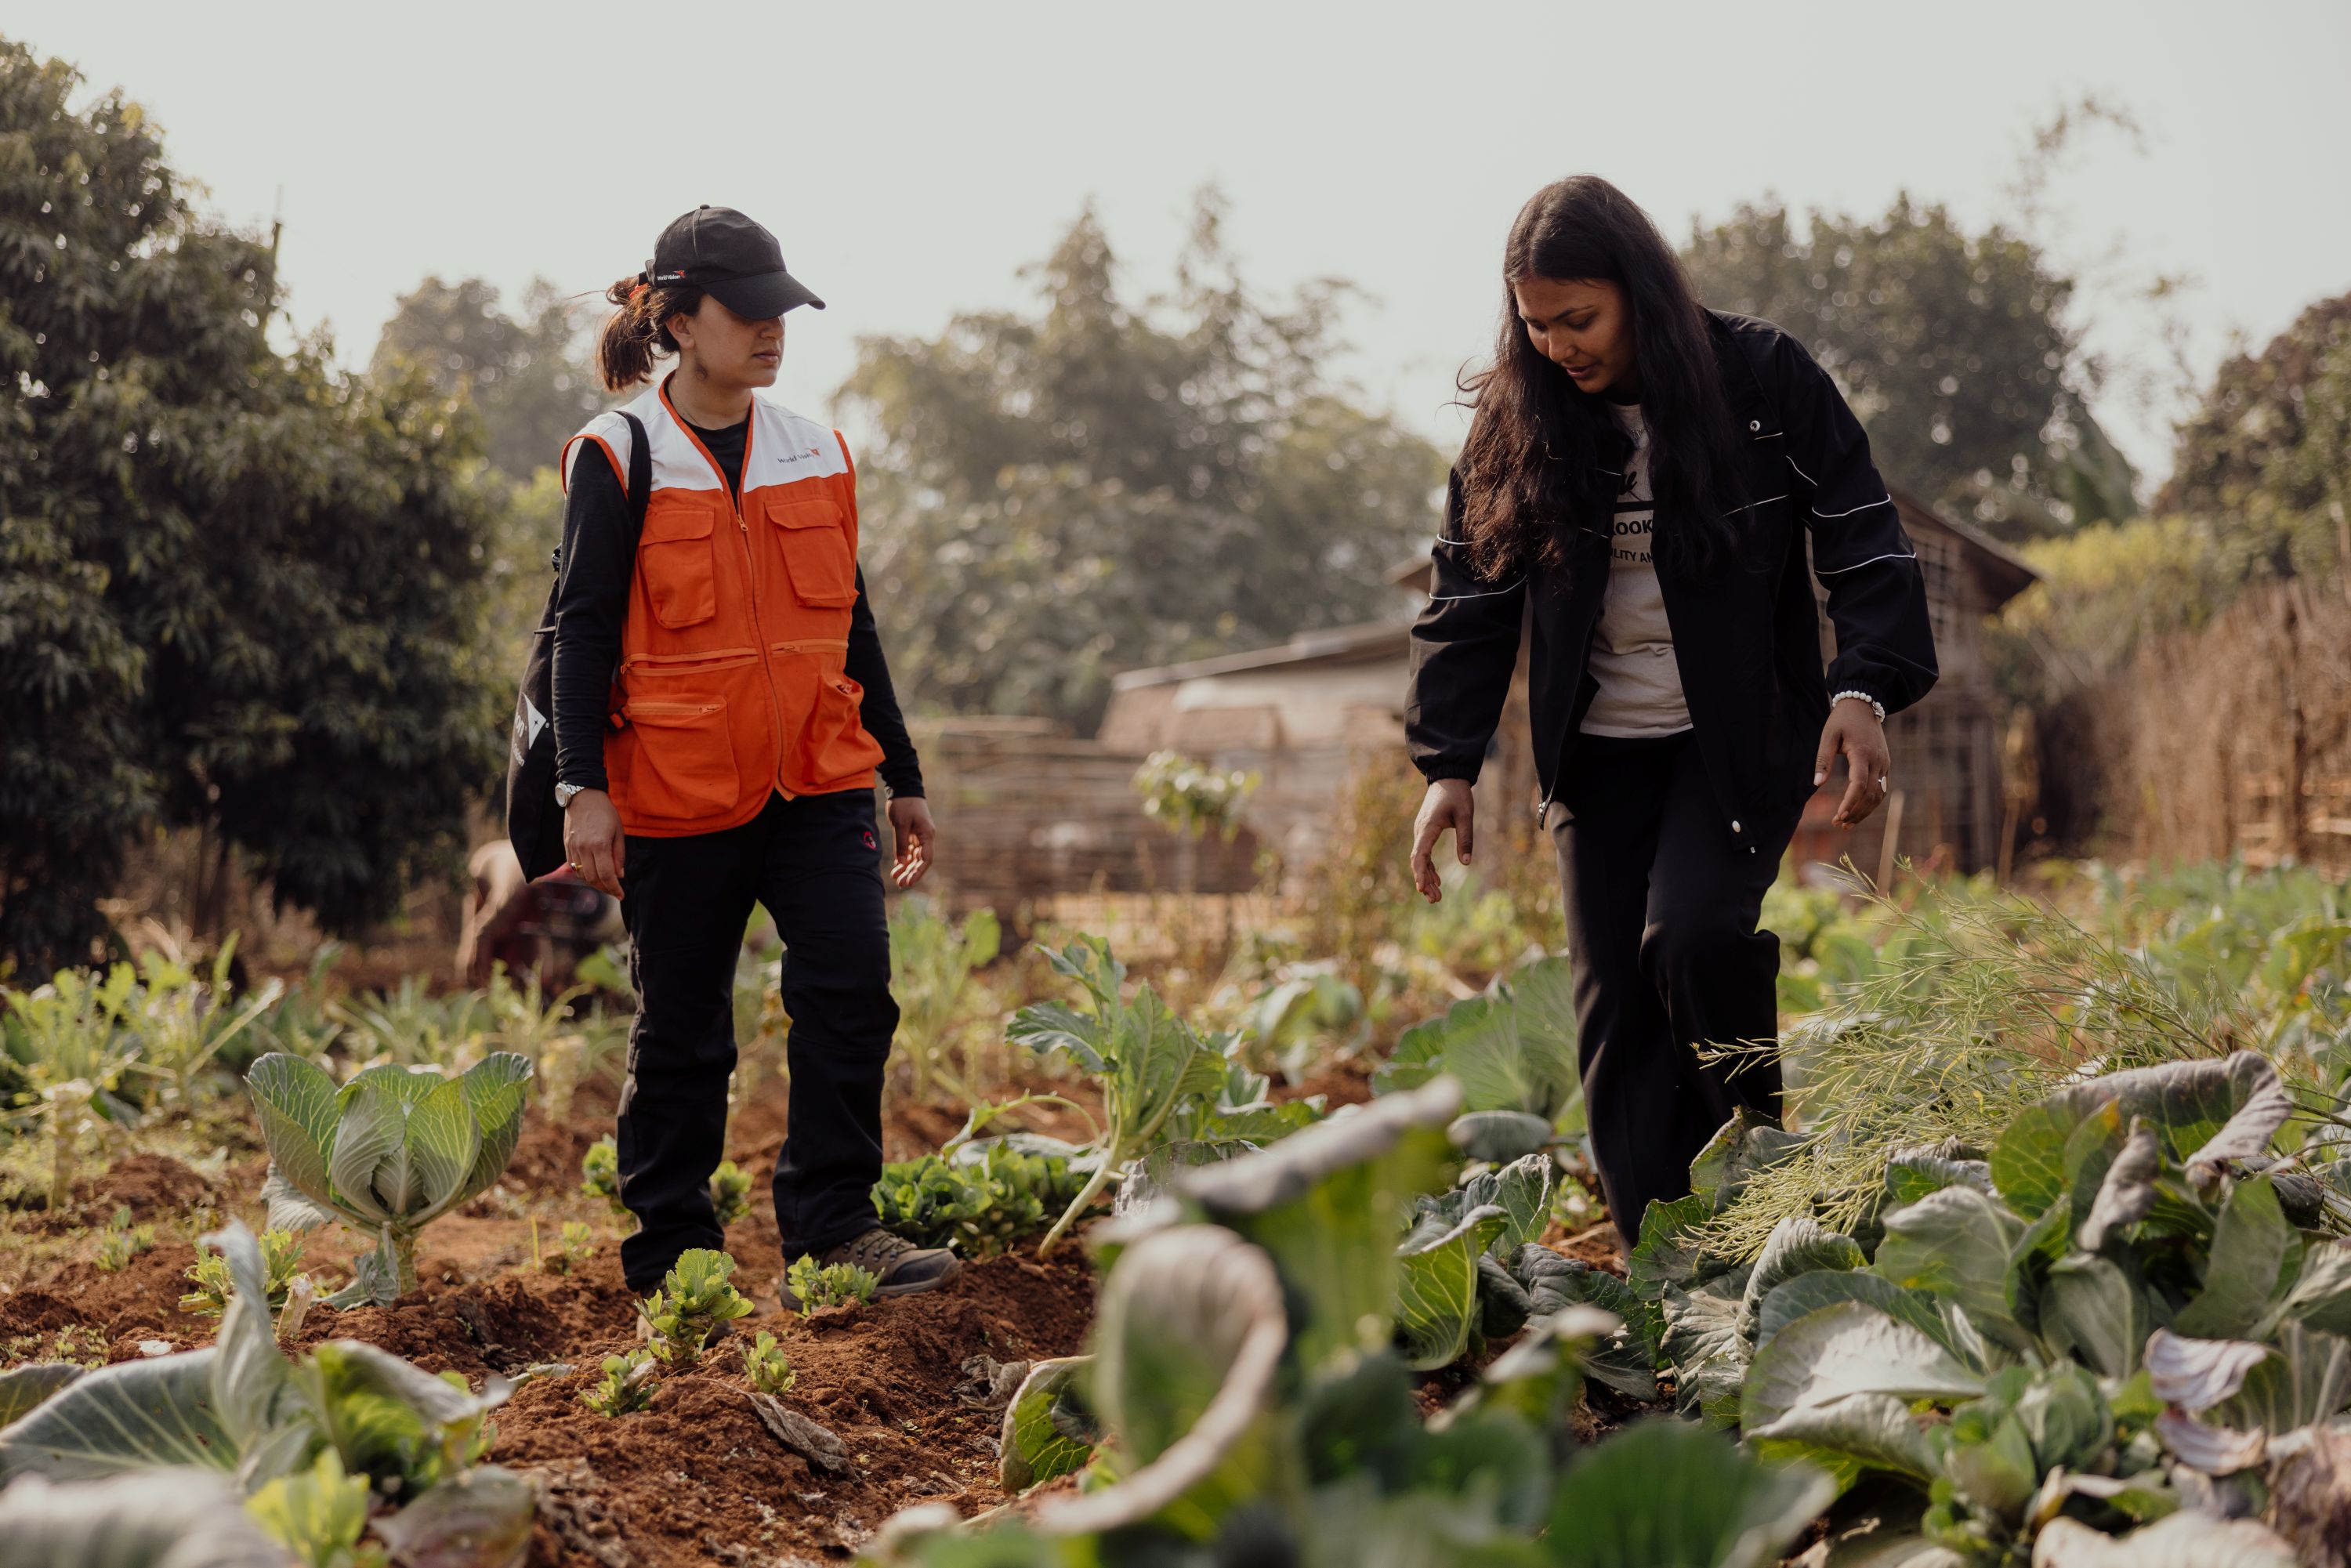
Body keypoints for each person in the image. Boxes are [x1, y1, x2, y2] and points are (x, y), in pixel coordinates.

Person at [1404, 176, 1937, 1248]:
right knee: (1615, 1018)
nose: (1559, 346)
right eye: (1537, 324)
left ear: (1639, 292)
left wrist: (1861, 687)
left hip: (1732, 742)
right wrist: (1447, 763)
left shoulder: (1761, 380)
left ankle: (1759, 1179)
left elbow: (1863, 535)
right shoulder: (1522, 417)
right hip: (1594, 757)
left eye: (1580, 319)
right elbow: (1469, 593)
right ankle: (1661, 1261)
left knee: (1692, 939)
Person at [551, 205, 958, 1305]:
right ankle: (675, 1259)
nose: (775, 330)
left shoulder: (815, 449)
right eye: (751, 311)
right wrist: (581, 788)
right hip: (678, 793)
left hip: (818, 778)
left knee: (852, 988)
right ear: (680, 320)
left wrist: (902, 775)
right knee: (684, 1032)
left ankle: (835, 1228)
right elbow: (580, 628)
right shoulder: (620, 453)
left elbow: (853, 622)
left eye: (786, 310)